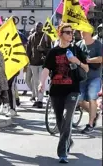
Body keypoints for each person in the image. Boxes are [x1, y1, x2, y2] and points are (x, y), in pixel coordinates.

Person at [38, 23, 89, 164]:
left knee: (67, 120)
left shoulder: (77, 49)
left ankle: (62, 153)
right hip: (56, 90)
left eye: (72, 32)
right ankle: (68, 140)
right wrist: (41, 83)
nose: (70, 35)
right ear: (60, 34)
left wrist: (76, 61)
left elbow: (86, 68)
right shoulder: (53, 52)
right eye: (67, 32)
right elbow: (46, 69)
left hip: (72, 89)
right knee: (60, 120)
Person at [77, 31, 102, 134]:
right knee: (79, 100)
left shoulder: (98, 44)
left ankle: (90, 124)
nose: (82, 32)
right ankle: (94, 114)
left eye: (84, 30)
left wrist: (88, 61)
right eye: (81, 30)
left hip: (94, 76)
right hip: (82, 77)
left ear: (90, 31)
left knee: (92, 98)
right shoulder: (78, 44)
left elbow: (101, 58)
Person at [27, 22, 52, 108]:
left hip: (43, 63)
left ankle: (40, 100)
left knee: (41, 82)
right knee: (35, 82)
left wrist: (43, 49)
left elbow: (50, 50)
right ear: (35, 27)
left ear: (42, 28)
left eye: (40, 27)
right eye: (37, 27)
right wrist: (29, 60)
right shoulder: (31, 37)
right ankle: (37, 98)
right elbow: (28, 50)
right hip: (33, 63)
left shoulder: (46, 37)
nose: (38, 28)